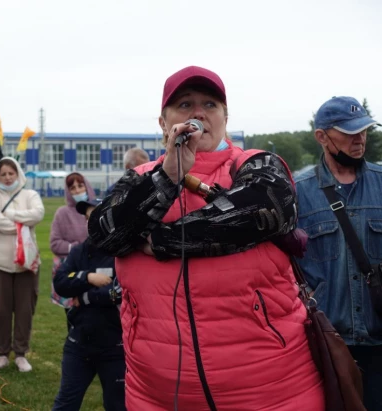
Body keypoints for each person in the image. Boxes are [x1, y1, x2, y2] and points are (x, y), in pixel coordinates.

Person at [87, 66, 324, 410]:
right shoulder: (140, 178)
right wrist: (168, 175)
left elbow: (266, 207)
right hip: (158, 394)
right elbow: (103, 233)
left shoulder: (253, 164)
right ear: (163, 123)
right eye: (184, 104)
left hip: (273, 389)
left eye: (210, 105)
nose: (198, 113)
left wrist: (161, 241)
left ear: (225, 117)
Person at [295, 96, 382, 410]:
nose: (359, 138)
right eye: (349, 132)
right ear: (322, 136)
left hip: (378, 342)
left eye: (364, 130)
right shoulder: (297, 191)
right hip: (325, 344)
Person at [52, 198, 125, 411]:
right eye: (88, 218)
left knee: (118, 405)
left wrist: (84, 297)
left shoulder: (121, 254)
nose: (91, 223)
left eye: (97, 217)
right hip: (78, 343)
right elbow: (61, 283)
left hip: (115, 346)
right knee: (65, 403)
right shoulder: (78, 252)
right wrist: (88, 278)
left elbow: (119, 292)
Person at [0, 157, 45, 372]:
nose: (8, 178)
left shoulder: (31, 195)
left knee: (25, 309)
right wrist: (21, 222)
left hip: (27, 263)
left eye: (11, 173)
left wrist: (11, 214)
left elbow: (38, 213)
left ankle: (20, 353)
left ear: (18, 173)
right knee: (1, 309)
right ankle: (2, 353)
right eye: (3, 174)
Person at [49, 172, 96, 327]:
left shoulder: (95, 209)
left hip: (95, 271)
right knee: (74, 317)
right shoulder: (62, 213)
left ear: (86, 186)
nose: (77, 190)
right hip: (72, 272)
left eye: (80, 186)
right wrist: (76, 247)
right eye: (72, 188)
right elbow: (54, 243)